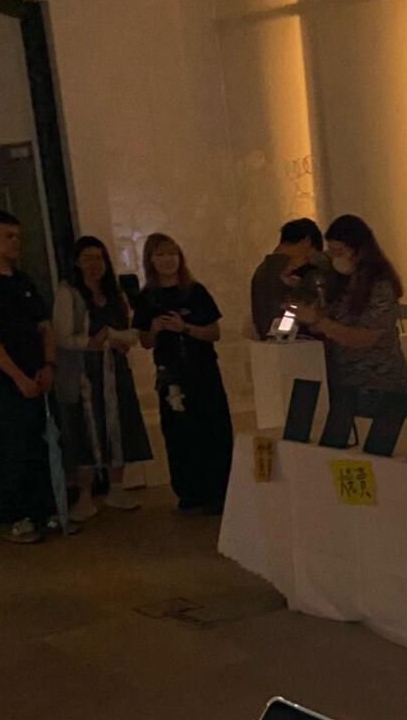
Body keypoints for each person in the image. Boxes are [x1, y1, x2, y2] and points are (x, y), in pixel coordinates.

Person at [0, 209, 60, 543]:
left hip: (36, 375)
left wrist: (48, 364)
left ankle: (44, 511)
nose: (16, 242)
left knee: (38, 444)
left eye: (18, 236)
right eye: (8, 236)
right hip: (0, 381)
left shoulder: (22, 280)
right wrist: (17, 376)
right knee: (11, 447)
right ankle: (17, 516)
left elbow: (44, 325)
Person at [54, 235, 153, 520]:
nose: (94, 264)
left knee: (119, 424)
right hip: (84, 372)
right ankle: (85, 495)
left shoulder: (114, 293)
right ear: (77, 262)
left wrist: (114, 338)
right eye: (87, 258)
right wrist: (92, 342)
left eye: (98, 258)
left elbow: (131, 331)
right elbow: (62, 336)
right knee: (86, 428)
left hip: (115, 369)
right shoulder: (69, 294)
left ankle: (117, 487)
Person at [133, 233, 232, 513]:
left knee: (213, 429)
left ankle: (220, 490)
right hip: (171, 375)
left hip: (202, 370)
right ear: (151, 260)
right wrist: (155, 329)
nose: (168, 260)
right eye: (161, 255)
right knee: (179, 434)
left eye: (172, 254)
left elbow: (214, 332)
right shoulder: (147, 297)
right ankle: (189, 492)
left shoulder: (195, 291)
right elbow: (145, 342)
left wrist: (185, 328)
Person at [294, 214, 407, 417]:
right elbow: (317, 260)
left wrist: (320, 322)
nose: (334, 256)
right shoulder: (339, 279)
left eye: (339, 251)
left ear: (359, 251)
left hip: (379, 385)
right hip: (345, 385)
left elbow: (365, 338)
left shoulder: (380, 286)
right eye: (331, 250)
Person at [249, 217, 327, 338]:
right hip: (301, 343)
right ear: (307, 241)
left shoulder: (262, 269)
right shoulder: (301, 268)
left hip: (267, 342)